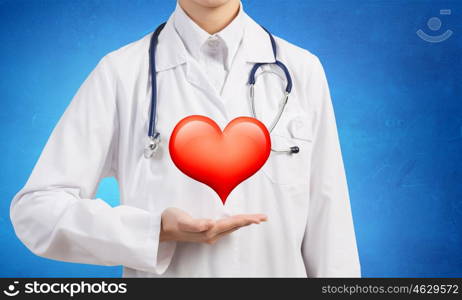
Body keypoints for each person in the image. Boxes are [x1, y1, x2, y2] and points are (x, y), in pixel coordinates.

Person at [10, 0, 361, 277]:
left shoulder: (302, 69)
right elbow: (37, 212)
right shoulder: (121, 73)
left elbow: (329, 219)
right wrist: (154, 231)